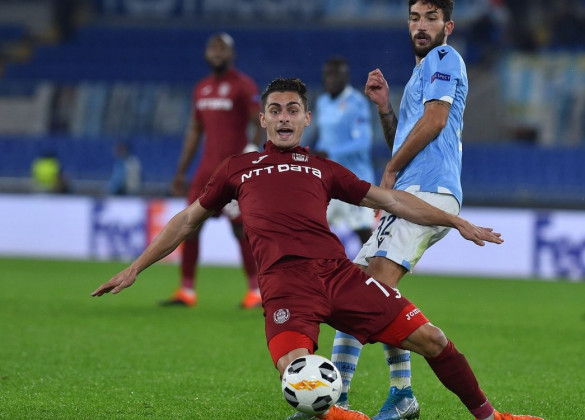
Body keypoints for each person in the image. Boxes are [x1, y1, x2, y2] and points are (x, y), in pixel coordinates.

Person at [91, 78, 542, 420]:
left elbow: (391, 200)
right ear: (263, 119)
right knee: (295, 370)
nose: (284, 118)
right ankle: (332, 412)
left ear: (307, 119)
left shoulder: (322, 168)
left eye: (292, 110)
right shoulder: (238, 168)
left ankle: (492, 417)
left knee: (434, 339)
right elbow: (188, 220)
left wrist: (456, 220)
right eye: (275, 111)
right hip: (285, 286)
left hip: (340, 276)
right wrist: (136, 268)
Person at [329, 1, 469, 418]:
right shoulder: (419, 75)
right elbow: (405, 142)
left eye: (430, 18)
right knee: (359, 288)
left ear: (448, 26)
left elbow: (437, 121)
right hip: (414, 192)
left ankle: (354, 397)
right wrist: (386, 108)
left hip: (426, 191)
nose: (421, 26)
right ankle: (358, 396)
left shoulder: (445, 57)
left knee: (368, 296)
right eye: (414, 17)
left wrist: (388, 171)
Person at [162, 32, 264, 309]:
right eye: (212, 48)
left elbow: (259, 121)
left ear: (232, 54)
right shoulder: (202, 88)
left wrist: (252, 149)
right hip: (205, 173)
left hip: (233, 172)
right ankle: (186, 291)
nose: (217, 53)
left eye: (223, 49)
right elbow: (195, 131)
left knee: (241, 229)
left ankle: (255, 292)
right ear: (207, 54)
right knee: (189, 227)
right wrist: (181, 171)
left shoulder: (242, 86)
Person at [312, 56, 376, 247]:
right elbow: (324, 138)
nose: (330, 79)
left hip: (354, 180)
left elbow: (363, 142)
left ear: (346, 76)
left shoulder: (356, 103)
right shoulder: (322, 102)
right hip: (330, 181)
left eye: (335, 75)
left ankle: (379, 274)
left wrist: (329, 152)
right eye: (327, 75)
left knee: (363, 234)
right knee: (314, 229)